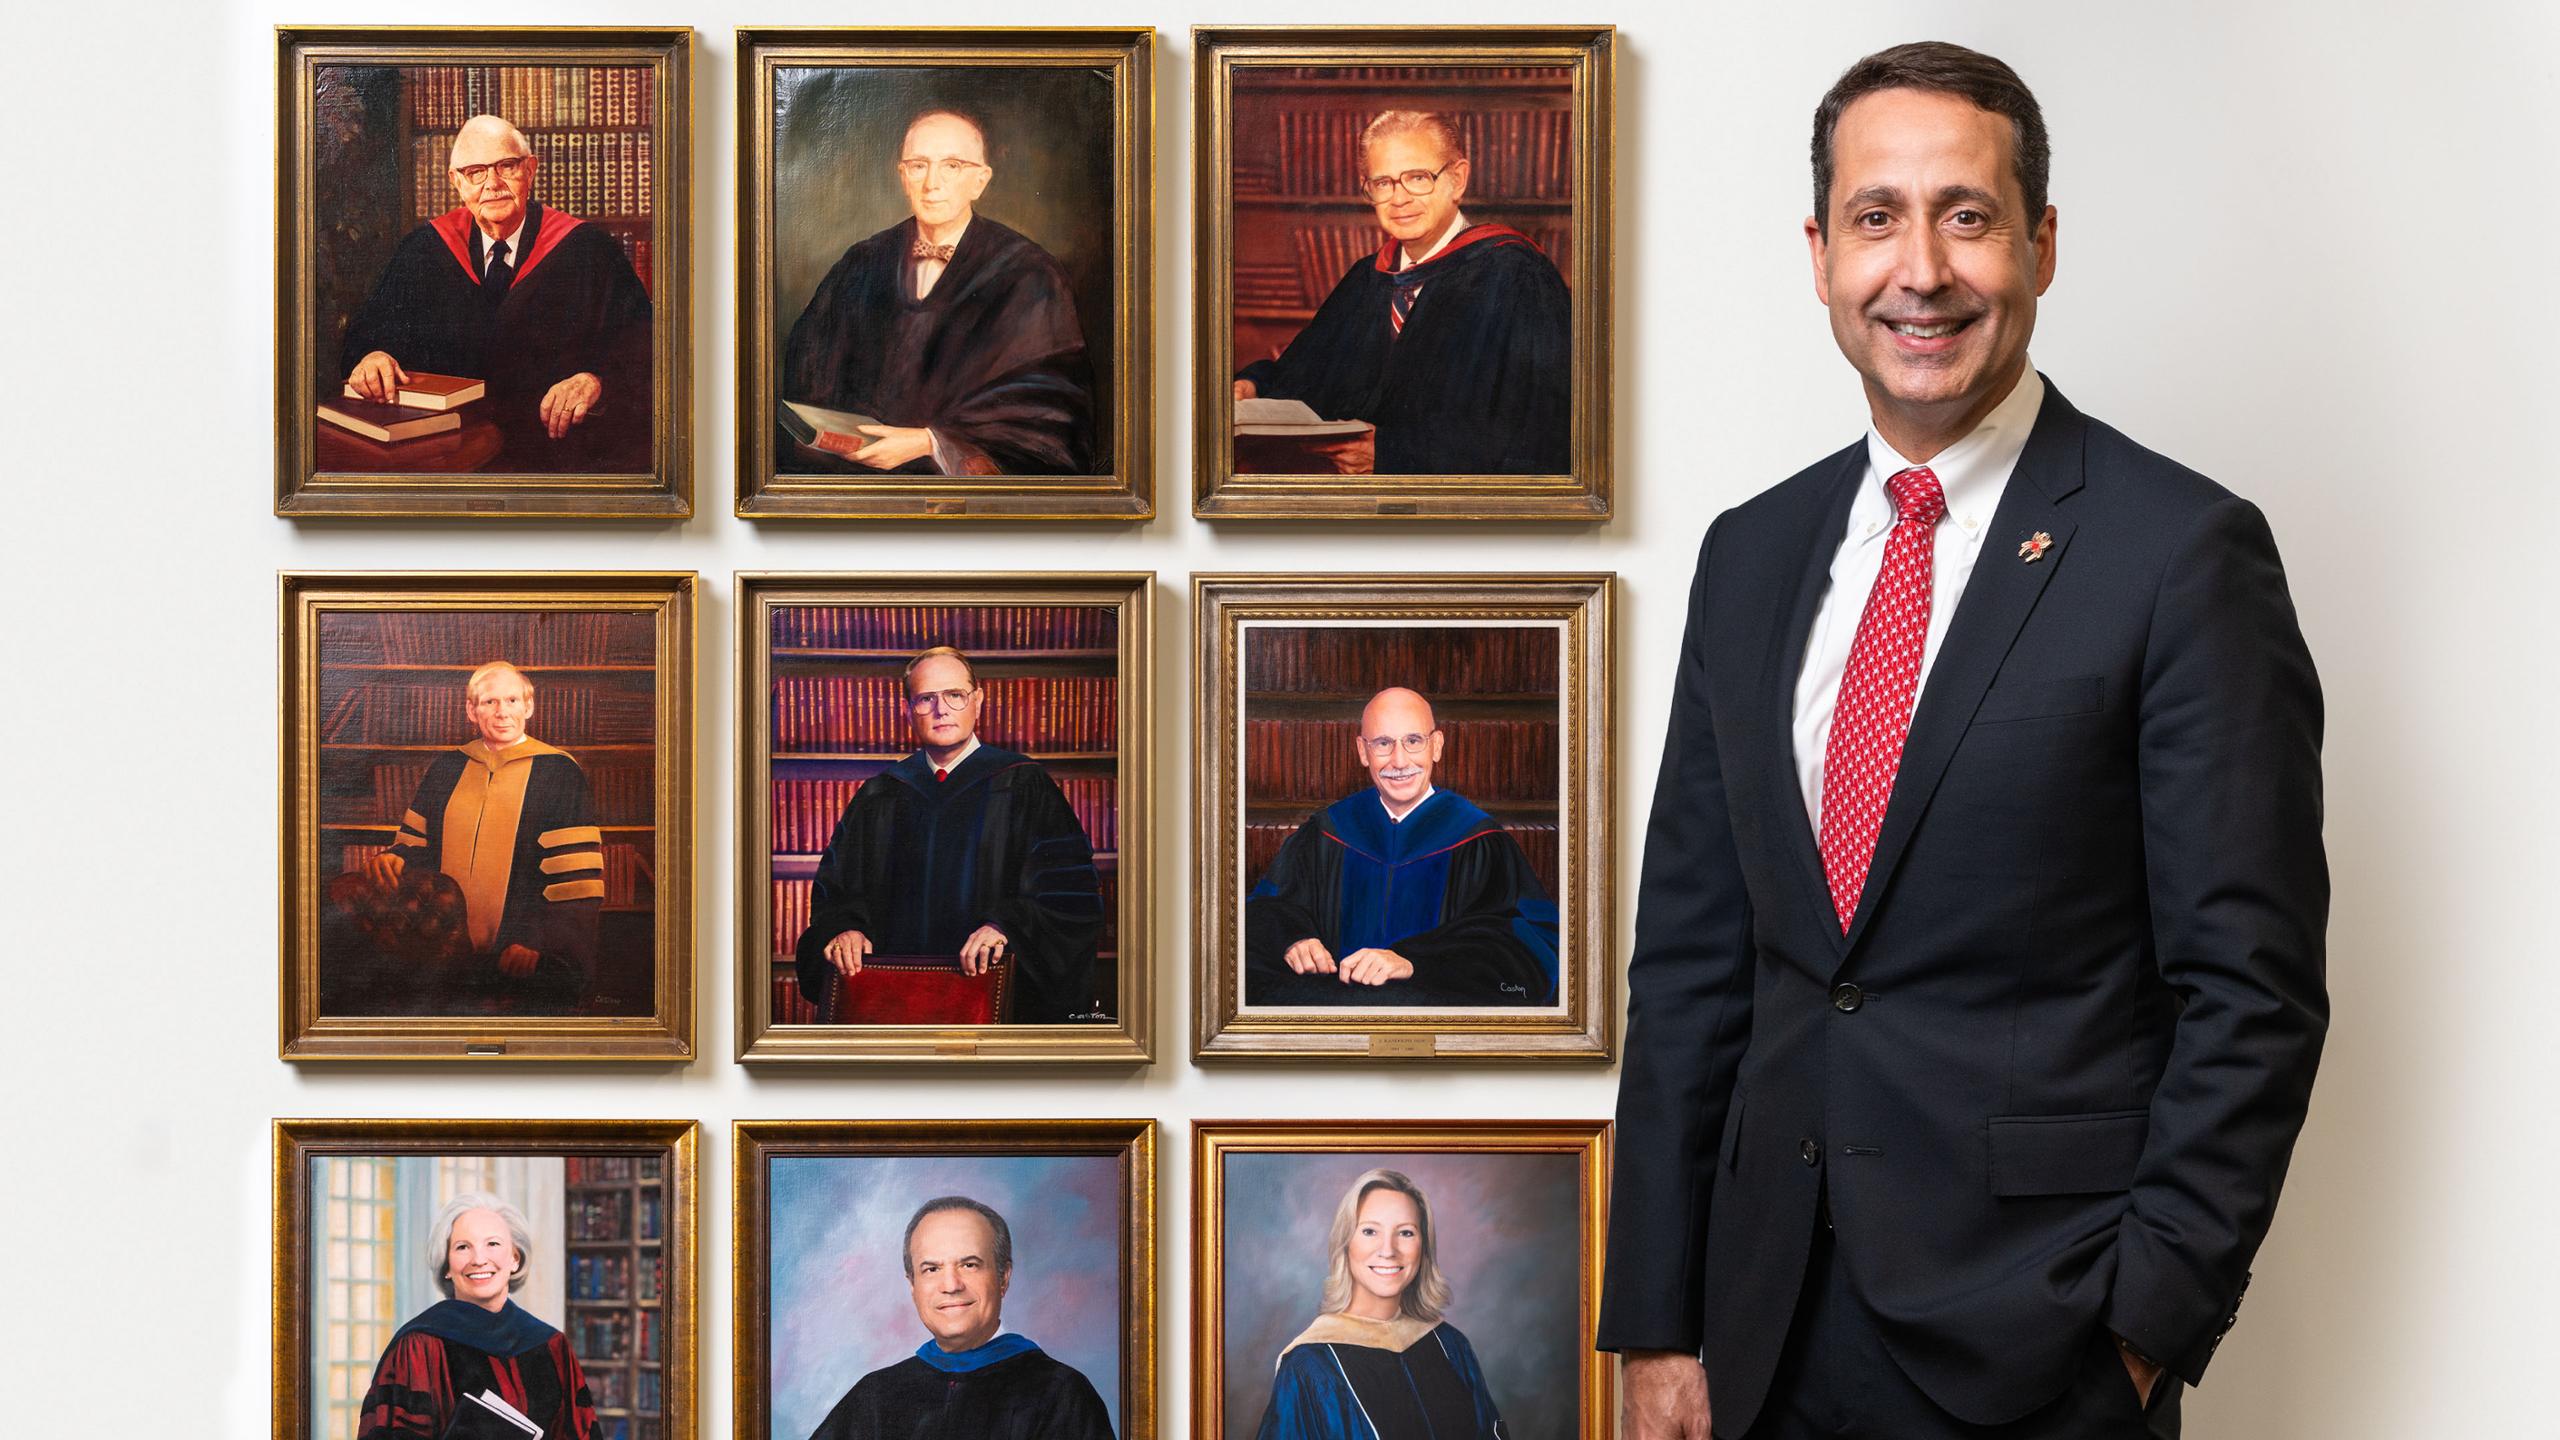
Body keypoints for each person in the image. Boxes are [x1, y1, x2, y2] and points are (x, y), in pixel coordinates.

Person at [1597, 43, 2327, 1440]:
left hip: (2041, 1341)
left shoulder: (2180, 554)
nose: (1918, 268)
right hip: (1755, 1341)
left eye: (1968, 215)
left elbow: (2253, 992)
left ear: (2041, 245)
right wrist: (1658, 1321)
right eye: (1876, 216)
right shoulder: (1750, 557)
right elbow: (1690, 970)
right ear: (1819, 254)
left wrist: (2141, 1330)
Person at [1233, 110, 1570, 476]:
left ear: (1457, 180)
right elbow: (1303, 375)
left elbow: (1545, 432)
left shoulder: (1517, 276)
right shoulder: (1369, 277)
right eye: (1383, 182)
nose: (1399, 198)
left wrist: (1393, 455)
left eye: (1418, 178)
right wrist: (1255, 386)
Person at [779, 107, 1097, 475]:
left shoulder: (1031, 274)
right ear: (902, 175)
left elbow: (1048, 411)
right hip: (862, 489)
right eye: (918, 165)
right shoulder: (861, 262)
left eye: (952, 166)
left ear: (981, 180)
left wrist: (929, 442)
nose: (932, 184)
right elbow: (808, 376)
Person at [793, 646, 1104, 1023]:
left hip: (995, 1002)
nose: (941, 710)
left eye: (954, 695)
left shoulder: (1023, 784)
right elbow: (834, 892)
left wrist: (1007, 925)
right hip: (894, 1006)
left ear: (978, 701)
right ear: (908, 710)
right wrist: (843, 928)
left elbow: (1070, 892)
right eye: (926, 699)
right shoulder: (881, 793)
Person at [341, 114, 654, 471]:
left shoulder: (590, 251)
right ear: (456, 182)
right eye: (475, 171)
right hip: (445, 457)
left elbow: (645, 351)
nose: (492, 183)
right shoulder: (422, 251)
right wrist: (372, 356)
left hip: (558, 458)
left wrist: (596, 381)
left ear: (530, 170)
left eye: (506, 166)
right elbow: (364, 337)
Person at [1245, 687, 1557, 1007]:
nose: (1399, 760)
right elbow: (1264, 910)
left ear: (1436, 746)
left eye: (1413, 741)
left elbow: (1531, 951)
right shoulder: (1326, 833)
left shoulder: (1481, 842)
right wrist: (1291, 938)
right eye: (1383, 743)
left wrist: (1413, 962)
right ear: (1362, 751)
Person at [339, 660, 603, 1013]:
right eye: (489, 702)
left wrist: (537, 944)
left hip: (521, 951)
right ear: (471, 710)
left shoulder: (559, 773)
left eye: (511, 701)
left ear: (529, 706)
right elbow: (419, 847)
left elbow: (575, 881)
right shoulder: (447, 769)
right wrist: (397, 856)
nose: (501, 713)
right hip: (443, 952)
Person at [806, 1196, 1115, 1440]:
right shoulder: (874, 1397)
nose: (951, 1285)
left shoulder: (1061, 1394)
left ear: (1003, 1276)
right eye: (931, 1269)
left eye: (969, 1265)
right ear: (912, 1285)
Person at [1255, 1169, 1508, 1440]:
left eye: (1406, 1233)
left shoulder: (1450, 1346)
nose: (1388, 1250)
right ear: (1345, 1244)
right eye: (1369, 1231)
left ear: (1423, 1249)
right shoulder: (1309, 1367)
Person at [355, 1192, 599, 1440]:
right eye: (463, 1247)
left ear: (515, 1258)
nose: (479, 1260)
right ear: (447, 1266)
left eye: (492, 1244)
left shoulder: (552, 1346)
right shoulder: (419, 1346)